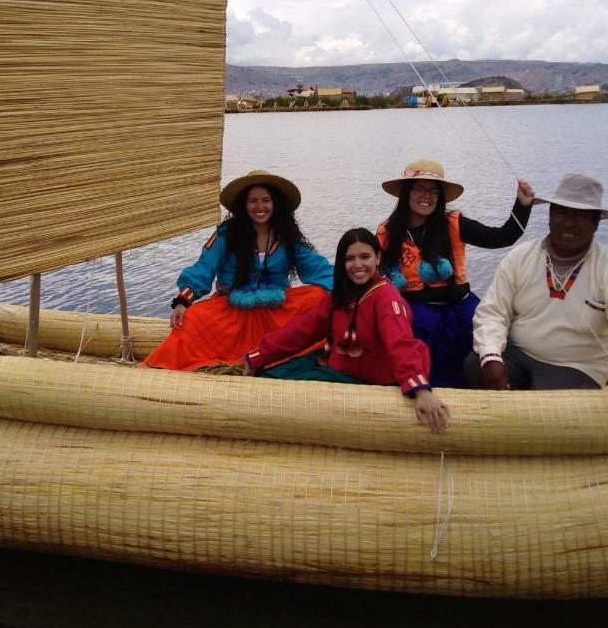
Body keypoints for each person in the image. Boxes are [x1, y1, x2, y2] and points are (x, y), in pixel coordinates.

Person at [464, 173, 608, 400]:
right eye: (562, 212)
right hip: (520, 353)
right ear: (550, 215)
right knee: (474, 365)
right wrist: (491, 355)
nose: (569, 222)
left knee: (548, 400)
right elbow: (493, 311)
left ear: (595, 224)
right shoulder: (521, 257)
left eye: (581, 216)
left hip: (577, 365)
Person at [243, 228, 449, 432]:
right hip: (336, 361)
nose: (357, 265)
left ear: (378, 258)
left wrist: (420, 389)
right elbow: (303, 329)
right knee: (271, 377)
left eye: (364, 257)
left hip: (368, 377)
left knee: (284, 390)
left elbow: (400, 342)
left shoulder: (386, 297)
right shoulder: (341, 295)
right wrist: (260, 355)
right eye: (350, 258)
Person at [143, 169, 333, 371]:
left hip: (276, 311)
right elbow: (204, 267)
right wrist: (182, 301)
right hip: (232, 311)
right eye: (253, 201)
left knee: (320, 296)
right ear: (244, 204)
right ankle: (161, 368)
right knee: (192, 318)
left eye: (266, 200)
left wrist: (350, 290)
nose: (260, 207)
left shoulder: (289, 235)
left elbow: (319, 268)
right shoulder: (226, 234)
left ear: (275, 203)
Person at [377, 158, 534, 388]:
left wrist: (522, 205)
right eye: (419, 188)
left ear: (440, 197)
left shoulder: (454, 223)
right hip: (415, 309)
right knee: (417, 340)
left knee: (480, 333)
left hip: (458, 305)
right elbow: (373, 275)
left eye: (433, 191)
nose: (426, 196)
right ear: (406, 192)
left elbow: (502, 237)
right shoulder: (386, 232)